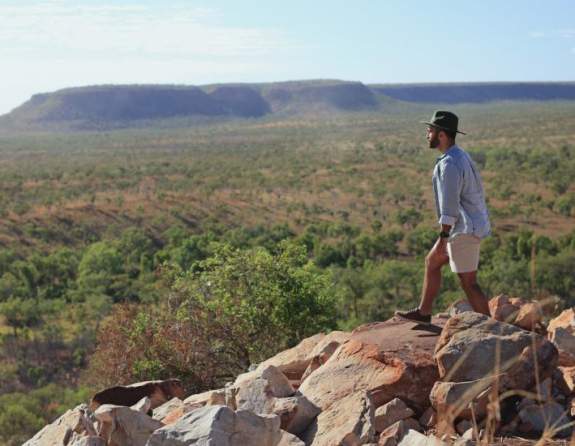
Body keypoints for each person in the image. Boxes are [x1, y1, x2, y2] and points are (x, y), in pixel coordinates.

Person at [395, 110, 491, 324]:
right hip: (466, 226)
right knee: (432, 262)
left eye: (430, 131)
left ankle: (493, 329)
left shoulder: (449, 165)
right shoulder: (458, 155)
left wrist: (443, 237)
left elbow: (450, 207)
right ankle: (423, 313)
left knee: (468, 282)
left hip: (463, 229)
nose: (427, 135)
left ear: (442, 135)